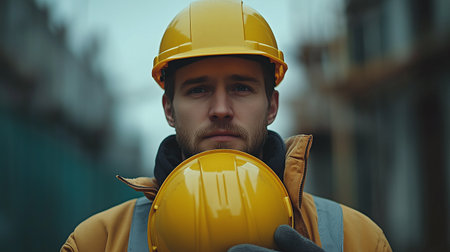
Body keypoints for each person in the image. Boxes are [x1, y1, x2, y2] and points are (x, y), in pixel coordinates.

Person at [61, 1, 392, 251]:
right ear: (169, 109)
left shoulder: (357, 239)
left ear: (272, 106)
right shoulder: (95, 242)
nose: (220, 110)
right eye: (199, 90)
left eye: (241, 88)